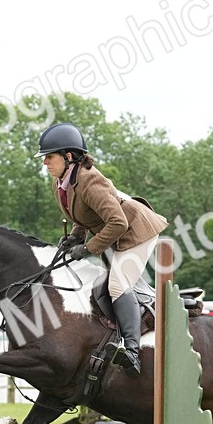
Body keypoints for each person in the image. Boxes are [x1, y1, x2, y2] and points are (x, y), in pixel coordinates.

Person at [36, 122, 168, 376]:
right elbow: (84, 215)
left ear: (69, 156)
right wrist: (76, 237)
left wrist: (87, 249)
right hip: (115, 233)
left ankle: (132, 351)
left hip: (137, 231)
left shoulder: (90, 180)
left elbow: (118, 222)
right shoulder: (61, 182)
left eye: (49, 157)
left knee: (118, 284)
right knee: (102, 285)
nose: (45, 163)